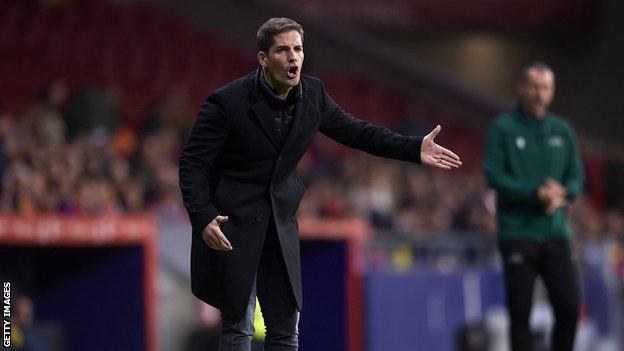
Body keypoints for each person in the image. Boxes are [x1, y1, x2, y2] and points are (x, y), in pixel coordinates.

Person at [179, 17, 462, 351]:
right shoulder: (228, 102)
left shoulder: (313, 94)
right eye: (282, 50)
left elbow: (358, 132)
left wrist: (414, 147)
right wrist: (203, 215)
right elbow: (193, 163)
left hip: (281, 224)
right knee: (239, 326)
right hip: (233, 225)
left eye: (297, 49)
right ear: (263, 58)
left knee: (285, 328)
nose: (293, 57)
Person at [483, 62, 584, 351]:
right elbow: (494, 175)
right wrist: (535, 193)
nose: (539, 93)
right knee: (520, 313)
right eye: (534, 86)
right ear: (521, 88)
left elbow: (576, 176)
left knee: (568, 306)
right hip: (517, 233)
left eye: (545, 87)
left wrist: (563, 194)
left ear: (552, 91)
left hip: (555, 233)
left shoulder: (562, 130)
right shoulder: (503, 128)